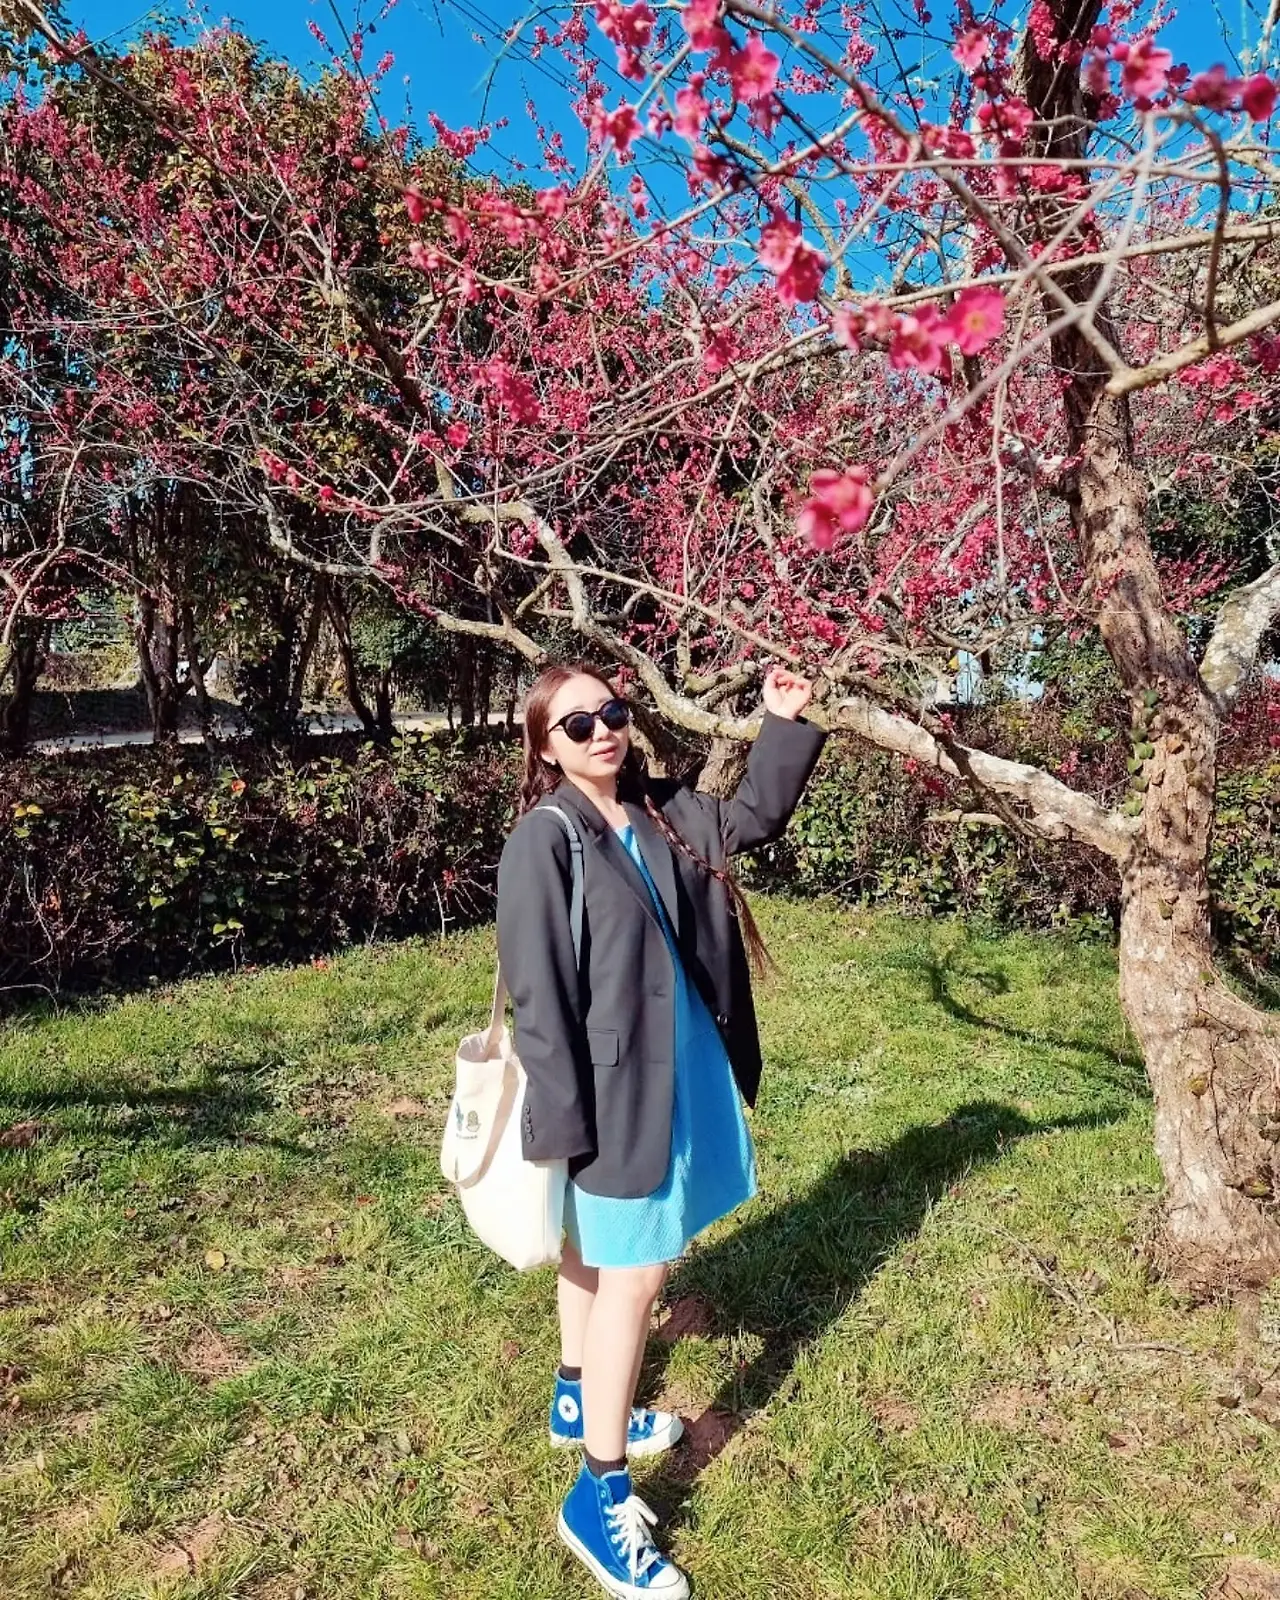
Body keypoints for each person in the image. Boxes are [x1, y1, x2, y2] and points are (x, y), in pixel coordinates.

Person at [496, 660, 825, 1600]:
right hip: (610, 1096)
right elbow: (538, 998)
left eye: (612, 711)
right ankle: (596, 1497)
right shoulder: (546, 838)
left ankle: (575, 1397)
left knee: (600, 1255)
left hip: (679, 1066)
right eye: (577, 723)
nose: (602, 730)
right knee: (635, 1277)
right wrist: (569, 1126)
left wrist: (779, 721)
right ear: (545, 746)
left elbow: (753, 818)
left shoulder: (661, 808)